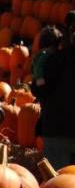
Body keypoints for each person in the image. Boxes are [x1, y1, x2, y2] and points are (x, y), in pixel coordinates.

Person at [33, 13, 75, 169]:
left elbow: (39, 89)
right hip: (59, 130)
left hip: (57, 130)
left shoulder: (53, 61)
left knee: (59, 186)